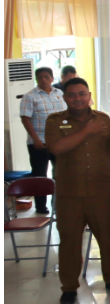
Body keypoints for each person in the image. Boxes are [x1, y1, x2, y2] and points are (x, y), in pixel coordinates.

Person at [45, 78, 110, 304]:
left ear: (89, 95)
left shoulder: (103, 120)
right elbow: (56, 148)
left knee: (107, 238)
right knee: (69, 241)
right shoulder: (55, 121)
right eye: (72, 94)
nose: (77, 98)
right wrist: (87, 131)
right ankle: (69, 288)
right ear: (64, 97)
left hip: (101, 191)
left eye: (82, 93)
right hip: (70, 194)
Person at [20, 67, 66, 214]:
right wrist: (35, 139)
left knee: (59, 173)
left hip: (58, 141)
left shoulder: (59, 94)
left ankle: (57, 204)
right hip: (38, 142)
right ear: (36, 79)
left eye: (46, 77)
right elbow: (25, 119)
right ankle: (41, 206)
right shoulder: (30, 96)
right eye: (40, 77)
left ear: (52, 78)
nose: (43, 80)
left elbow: (65, 116)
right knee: (40, 175)